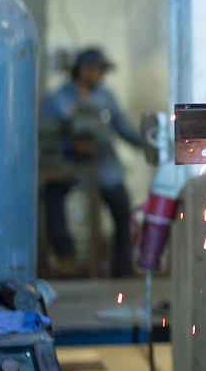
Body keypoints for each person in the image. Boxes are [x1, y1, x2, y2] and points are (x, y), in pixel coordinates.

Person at [41, 48, 145, 277]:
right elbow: (47, 138)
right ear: (84, 70)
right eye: (99, 70)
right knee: (52, 196)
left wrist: (147, 142)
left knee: (121, 203)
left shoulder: (106, 97)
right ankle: (65, 257)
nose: (102, 76)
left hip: (104, 167)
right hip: (68, 168)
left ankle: (123, 267)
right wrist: (71, 146)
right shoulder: (56, 100)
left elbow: (123, 128)